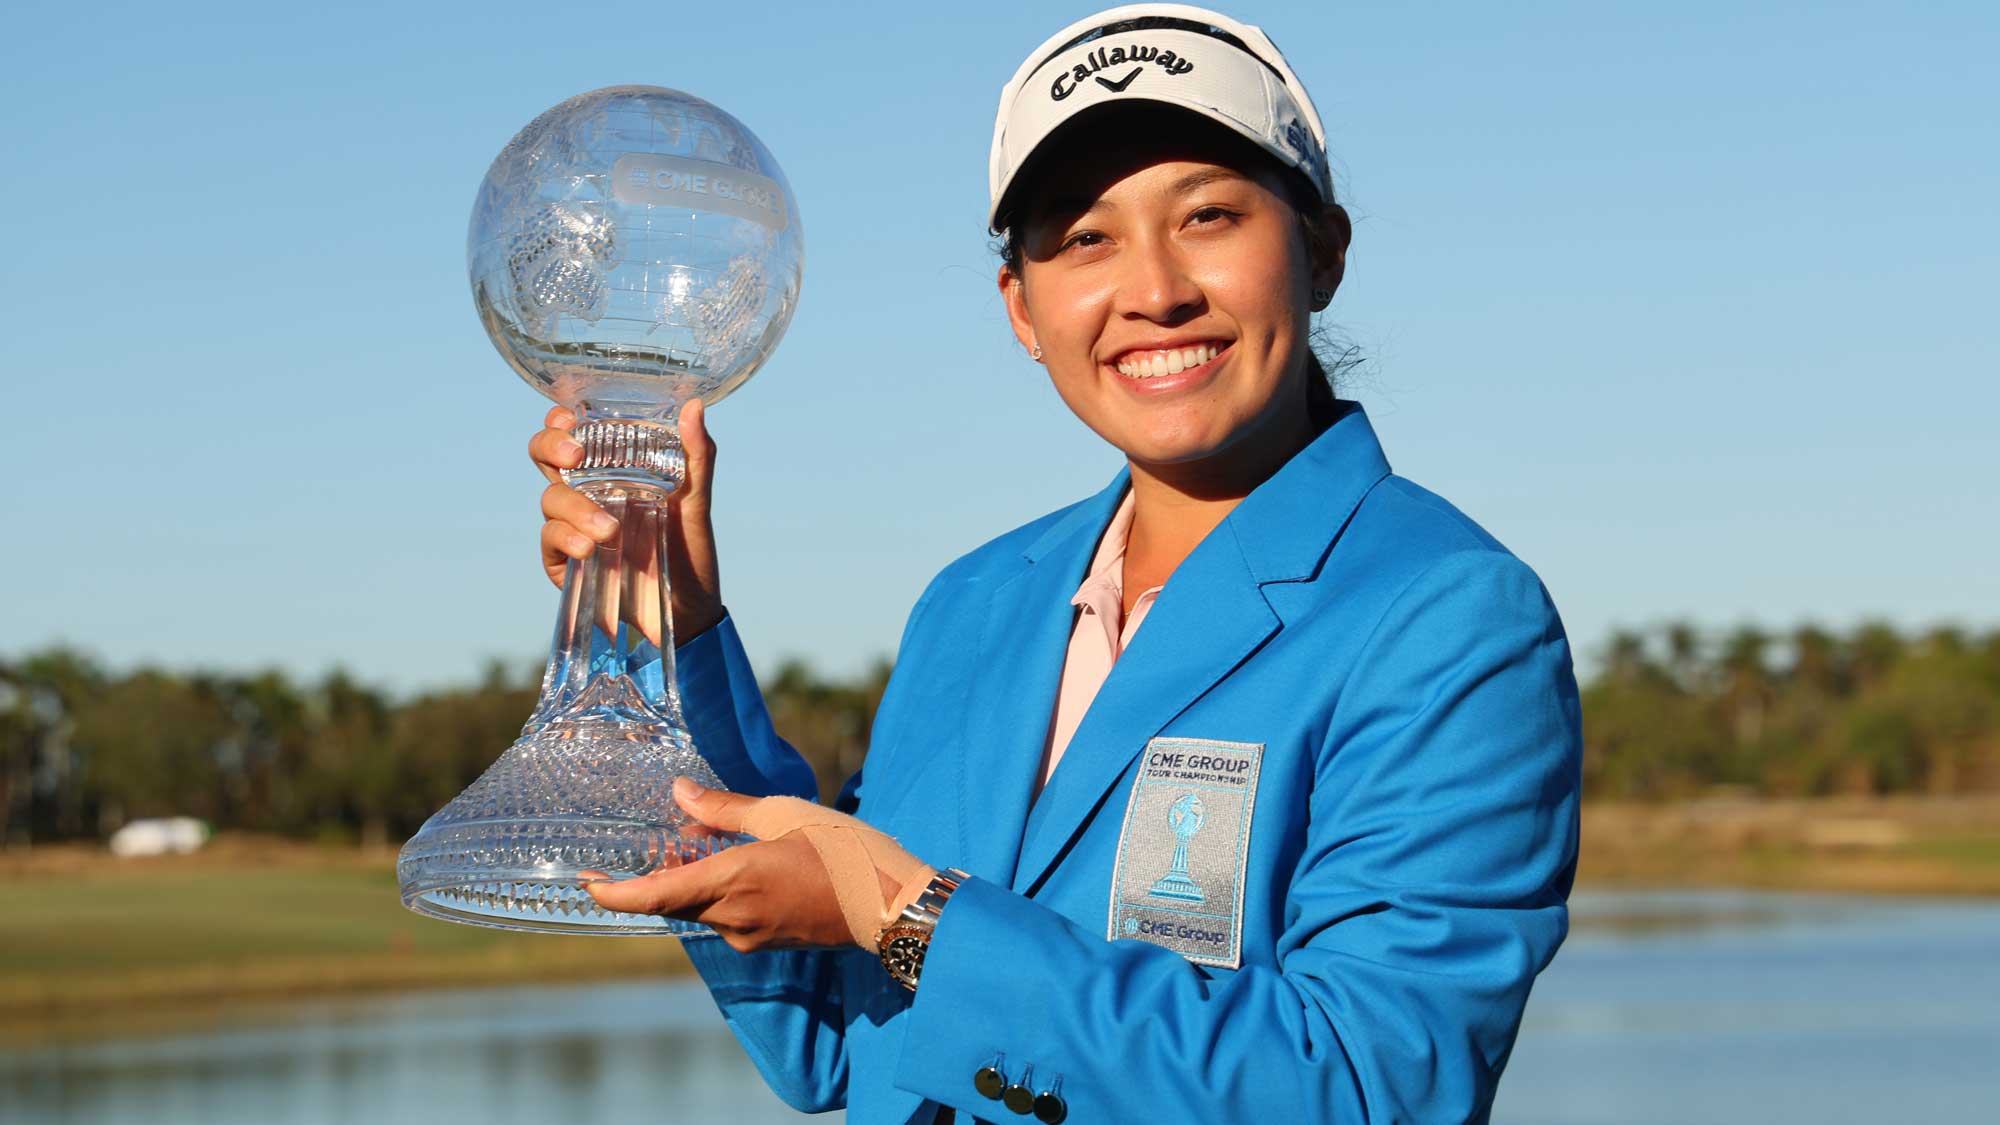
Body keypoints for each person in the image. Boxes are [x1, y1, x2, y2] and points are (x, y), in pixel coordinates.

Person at [529, 6, 1582, 1122]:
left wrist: (903, 910)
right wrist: (677, 632)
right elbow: (835, 1034)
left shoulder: (1446, 616)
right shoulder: (976, 605)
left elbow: (1370, 1088)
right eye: (1084, 237)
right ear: (1019, 309)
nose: (1155, 288)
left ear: (1320, 251)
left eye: (1209, 214)